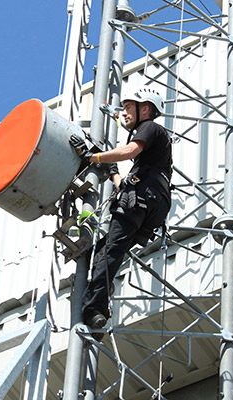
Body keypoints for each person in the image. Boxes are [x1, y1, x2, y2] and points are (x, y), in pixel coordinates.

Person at [69, 87, 173, 336]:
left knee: (108, 251)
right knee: (108, 250)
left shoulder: (150, 128)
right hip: (149, 204)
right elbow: (126, 182)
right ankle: (99, 309)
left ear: (145, 109)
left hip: (142, 200)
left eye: (129, 107)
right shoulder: (152, 155)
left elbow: (129, 152)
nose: (125, 113)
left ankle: (94, 309)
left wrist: (94, 158)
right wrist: (112, 171)